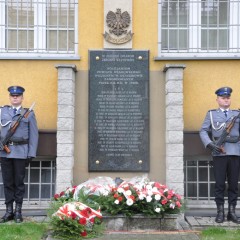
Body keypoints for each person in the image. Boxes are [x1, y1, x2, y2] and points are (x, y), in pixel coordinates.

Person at [200, 87, 240, 224]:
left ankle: (232, 212)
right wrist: (210, 144)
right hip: (218, 153)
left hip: (235, 152)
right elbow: (203, 131)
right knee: (219, 184)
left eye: (228, 97)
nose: (226, 99)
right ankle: (220, 212)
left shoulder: (237, 114)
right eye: (223, 98)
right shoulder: (211, 114)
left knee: (234, 184)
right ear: (217, 99)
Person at [0, 86, 38, 223]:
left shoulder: (29, 113)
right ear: (9, 97)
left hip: (21, 153)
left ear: (22, 98)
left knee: (19, 183)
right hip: (4, 153)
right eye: (12, 95)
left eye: (18, 95)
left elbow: (34, 135)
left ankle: (18, 212)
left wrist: (31, 153)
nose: (15, 97)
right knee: (8, 183)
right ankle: (8, 211)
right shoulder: (2, 111)